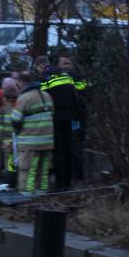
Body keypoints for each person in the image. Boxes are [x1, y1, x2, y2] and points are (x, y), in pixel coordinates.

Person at [41, 55, 85, 189]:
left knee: (58, 151)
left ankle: (60, 183)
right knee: (69, 148)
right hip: (70, 117)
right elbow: (76, 98)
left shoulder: (46, 80)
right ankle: (69, 180)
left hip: (56, 118)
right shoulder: (68, 78)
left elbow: (42, 98)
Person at [11, 72, 54, 193]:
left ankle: (27, 194)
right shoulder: (47, 95)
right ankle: (42, 192)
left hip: (30, 141)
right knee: (44, 169)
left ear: (20, 82)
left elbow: (15, 120)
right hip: (48, 140)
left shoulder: (23, 98)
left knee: (28, 168)